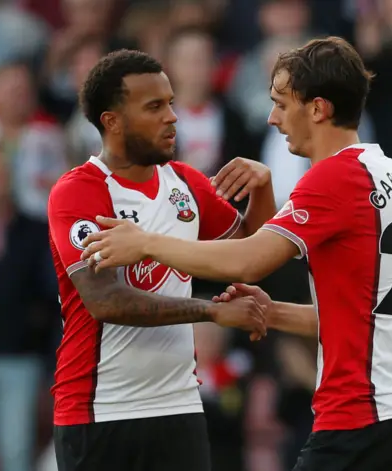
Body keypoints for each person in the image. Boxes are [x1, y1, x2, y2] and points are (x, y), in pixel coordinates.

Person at [81, 37, 392, 471]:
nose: (272, 119)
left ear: (317, 109)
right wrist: (274, 314)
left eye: (281, 103)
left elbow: (248, 260)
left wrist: (145, 242)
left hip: (361, 421)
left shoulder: (334, 177)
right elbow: (369, 316)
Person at [47, 49, 277, 471]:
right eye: (154, 107)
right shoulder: (79, 192)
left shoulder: (186, 183)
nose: (172, 116)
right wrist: (211, 312)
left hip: (178, 404)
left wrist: (262, 189)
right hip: (100, 408)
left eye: (171, 103)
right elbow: (106, 301)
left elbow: (253, 255)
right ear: (111, 121)